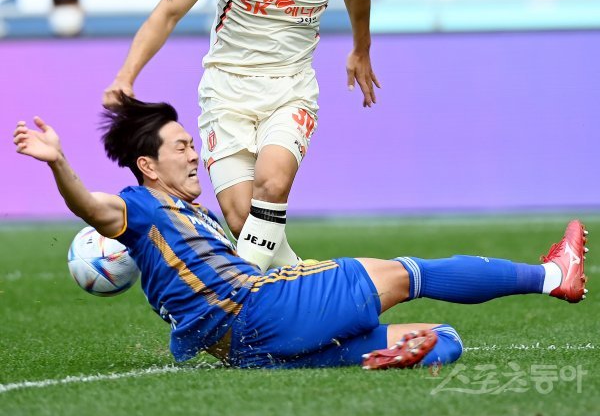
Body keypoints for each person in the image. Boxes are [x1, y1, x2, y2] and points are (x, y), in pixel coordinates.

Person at [13, 95, 589, 370]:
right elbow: (91, 206)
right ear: (148, 165)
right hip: (262, 309)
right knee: (410, 273)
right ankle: (551, 275)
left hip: (247, 351)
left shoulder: (193, 220)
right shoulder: (139, 208)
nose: (193, 155)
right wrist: (58, 162)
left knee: (445, 338)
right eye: (182, 147)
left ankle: (383, 356)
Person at [102, 0, 381, 272]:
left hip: (290, 87)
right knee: (240, 218)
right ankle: (306, 282)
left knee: (272, 183)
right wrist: (126, 75)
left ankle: (234, 298)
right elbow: (169, 11)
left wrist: (361, 48)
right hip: (226, 90)